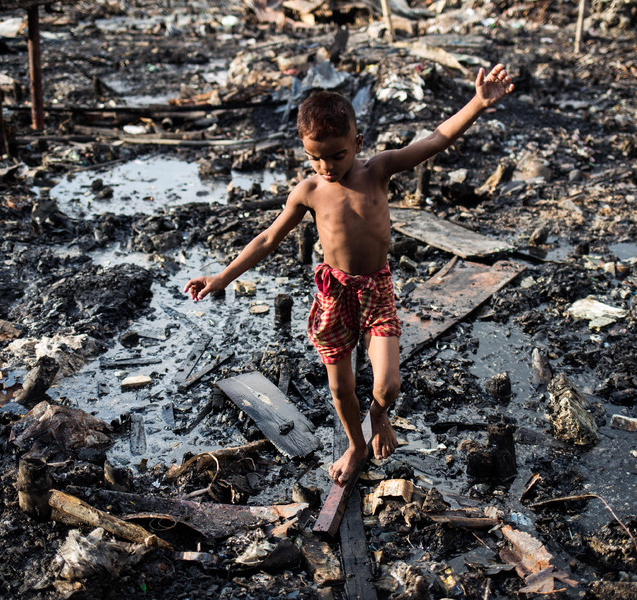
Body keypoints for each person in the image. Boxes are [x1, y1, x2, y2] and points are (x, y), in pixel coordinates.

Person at [185, 64, 515, 484]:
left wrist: (478, 103)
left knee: (387, 386)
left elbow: (436, 138)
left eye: (337, 155)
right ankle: (355, 445)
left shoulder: (377, 170)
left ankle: (378, 418)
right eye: (315, 157)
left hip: (376, 290)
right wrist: (221, 278)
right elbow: (268, 239)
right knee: (341, 391)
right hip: (334, 295)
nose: (326, 166)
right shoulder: (308, 191)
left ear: (357, 143)